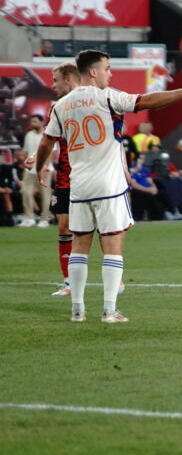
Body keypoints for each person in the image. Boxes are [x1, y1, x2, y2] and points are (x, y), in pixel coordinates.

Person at [34, 49, 182, 323]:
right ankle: (109, 310)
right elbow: (148, 101)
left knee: (80, 244)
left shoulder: (61, 105)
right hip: (109, 184)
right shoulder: (108, 97)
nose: (110, 73)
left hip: (79, 185)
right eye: (107, 68)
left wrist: (39, 169)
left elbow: (47, 142)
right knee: (112, 243)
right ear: (93, 72)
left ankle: (78, 309)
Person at [27, 63, 79, 295]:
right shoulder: (57, 107)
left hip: (92, 175)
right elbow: (50, 139)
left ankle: (114, 276)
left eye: (56, 80)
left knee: (102, 228)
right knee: (64, 226)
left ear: (68, 79)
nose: (52, 85)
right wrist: (35, 156)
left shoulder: (92, 102)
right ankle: (69, 282)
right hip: (66, 176)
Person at [19, 114, 50, 227]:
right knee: (26, 193)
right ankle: (29, 218)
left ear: (42, 122)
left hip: (44, 170)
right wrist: (24, 167)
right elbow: (26, 152)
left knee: (45, 195)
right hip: (30, 170)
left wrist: (44, 166)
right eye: (32, 121)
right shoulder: (28, 135)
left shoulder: (47, 134)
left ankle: (44, 219)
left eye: (35, 121)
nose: (33, 123)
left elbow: (50, 151)